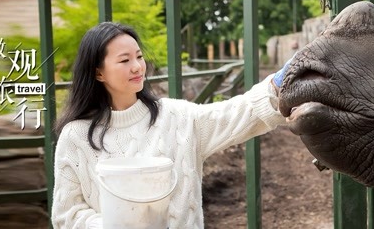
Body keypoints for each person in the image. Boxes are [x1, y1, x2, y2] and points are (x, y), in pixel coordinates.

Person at [51, 21, 289, 229]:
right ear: (99, 73)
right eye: (124, 60)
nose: (137, 66)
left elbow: (236, 114)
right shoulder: (76, 136)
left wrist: (281, 83)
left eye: (139, 56)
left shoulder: (178, 117)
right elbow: (65, 215)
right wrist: (113, 224)